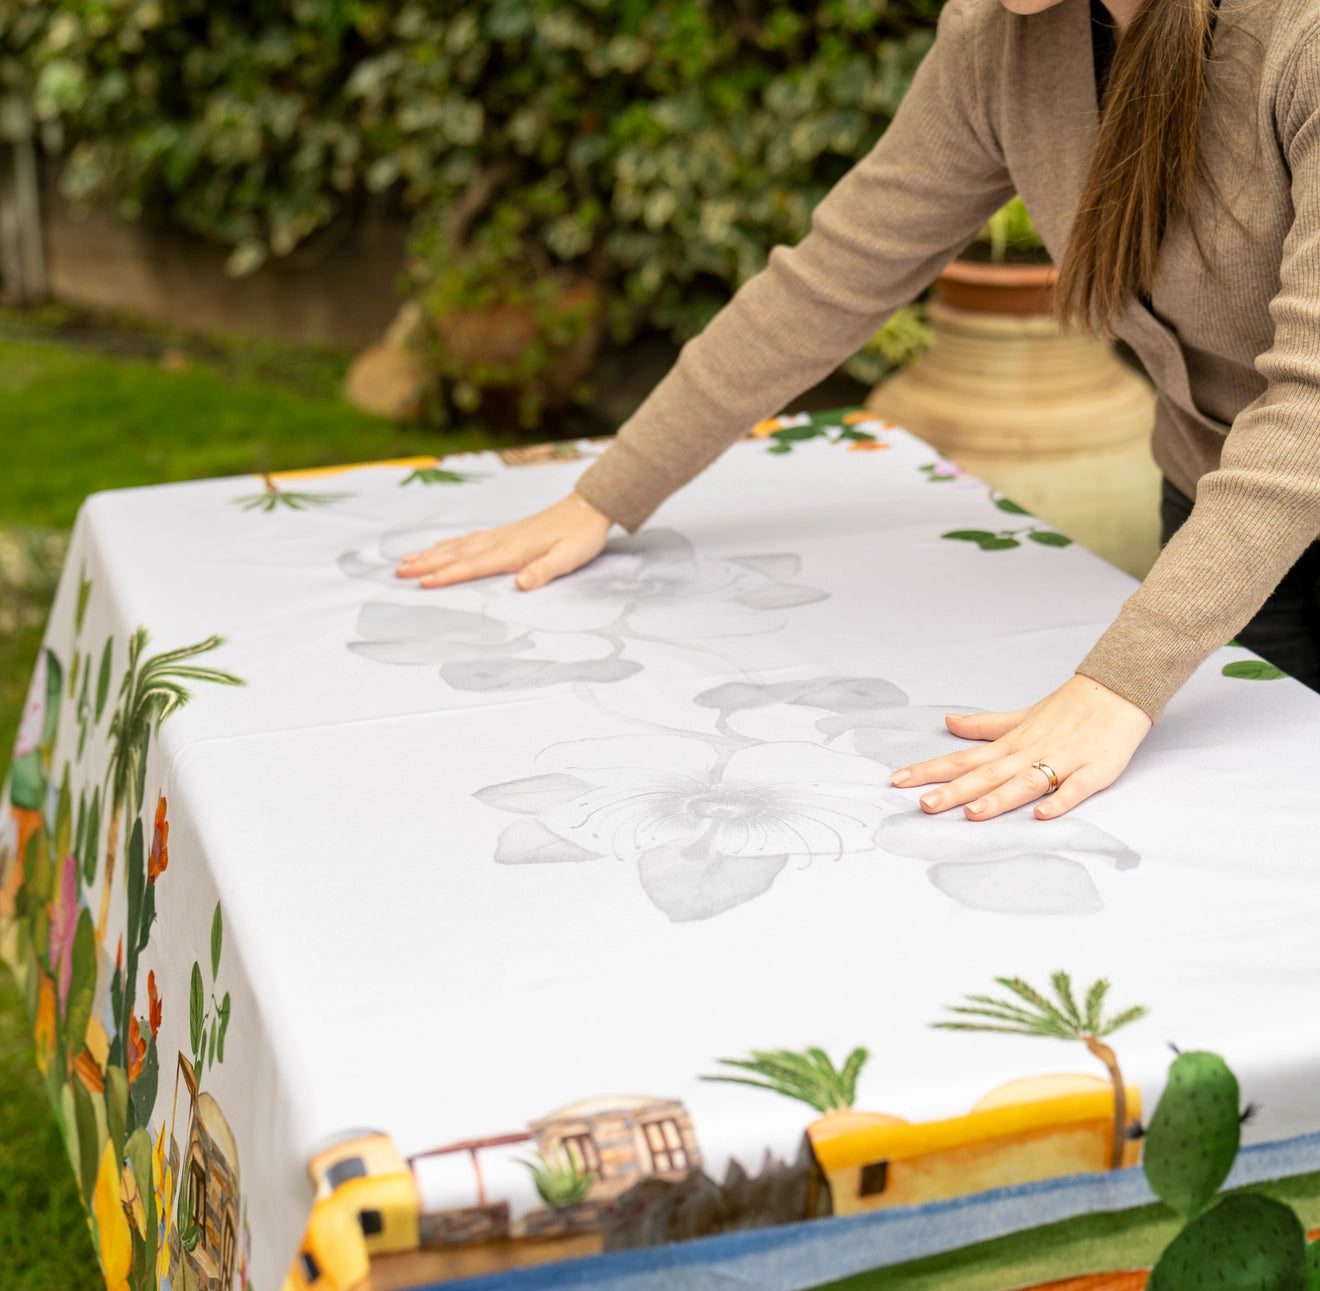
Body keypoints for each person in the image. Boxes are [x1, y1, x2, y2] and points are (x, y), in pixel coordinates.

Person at [398, 0, 1320, 824]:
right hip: (1222, 524)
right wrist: (603, 496)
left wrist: (1120, 681)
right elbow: (832, 278)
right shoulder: (1004, 40)